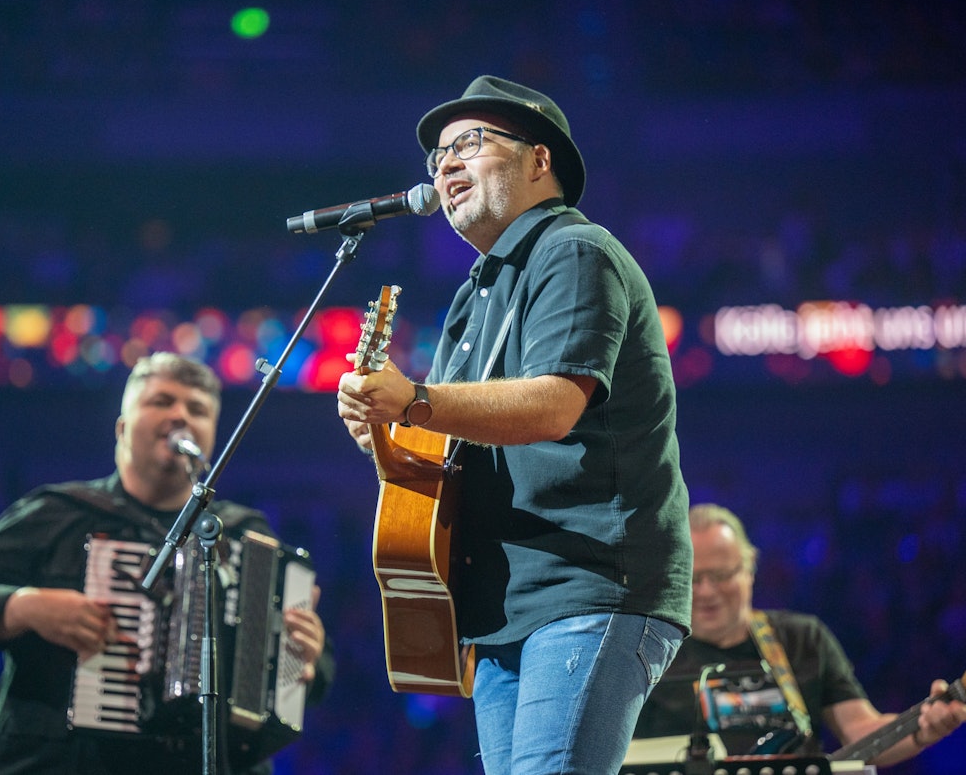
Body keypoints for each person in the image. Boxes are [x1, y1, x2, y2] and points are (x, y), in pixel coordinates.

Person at [336, 75, 692, 775]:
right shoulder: (475, 294)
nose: (445, 166)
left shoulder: (573, 252)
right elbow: (446, 438)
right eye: (437, 156)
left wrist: (413, 400)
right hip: (508, 604)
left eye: (469, 143)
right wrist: (386, 429)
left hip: (589, 583)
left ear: (539, 161)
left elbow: (555, 406)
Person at [0, 352, 333, 775]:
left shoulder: (246, 535)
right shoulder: (57, 512)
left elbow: (313, 676)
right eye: (161, 401)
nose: (180, 416)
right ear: (122, 428)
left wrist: (307, 655)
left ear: (211, 439)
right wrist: (24, 607)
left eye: (198, 410)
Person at [632, 503, 966, 767]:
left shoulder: (802, 638)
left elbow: (861, 731)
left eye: (722, 575)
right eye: (693, 577)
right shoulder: (648, 649)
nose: (706, 591)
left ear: (750, 569)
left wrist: (923, 729)